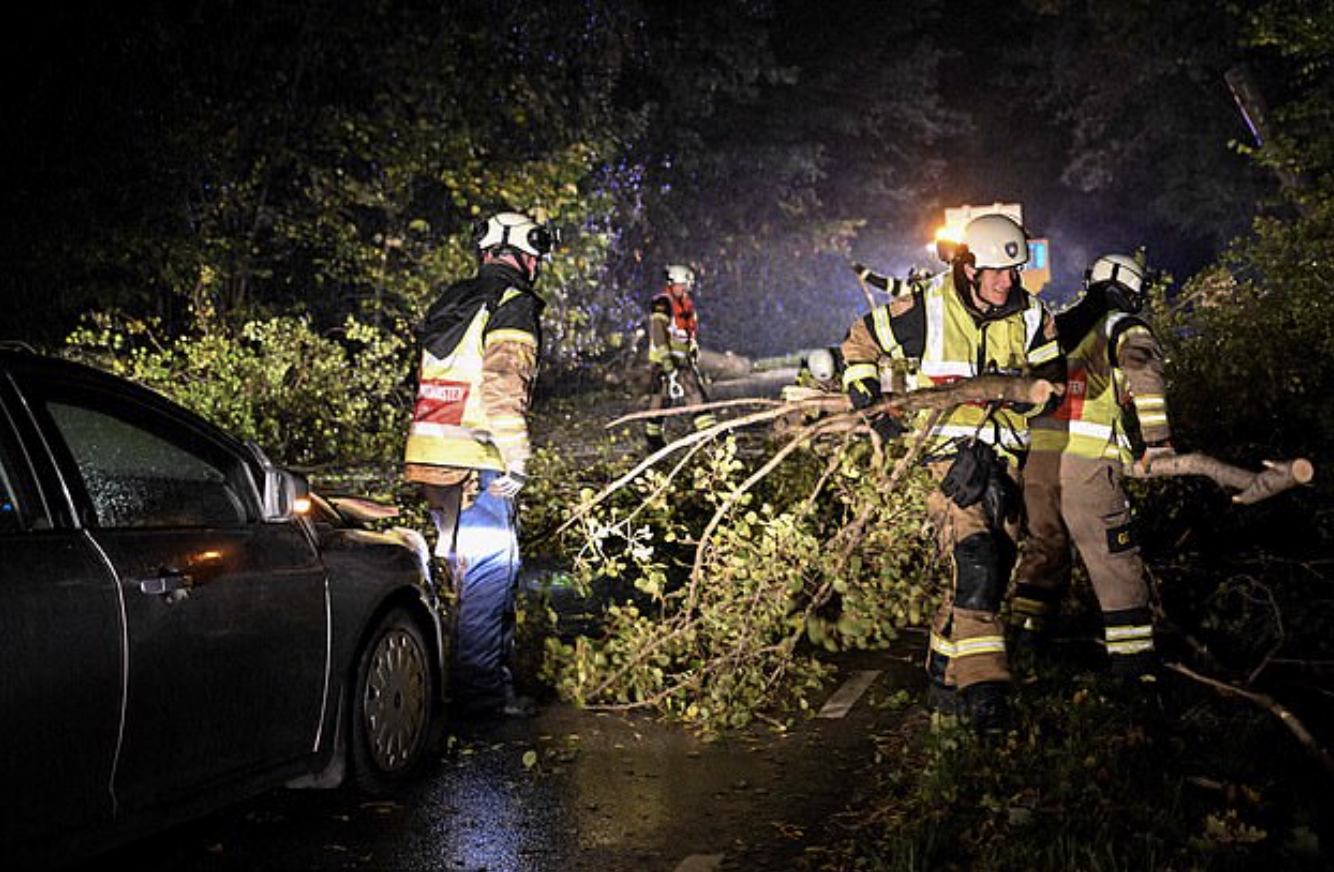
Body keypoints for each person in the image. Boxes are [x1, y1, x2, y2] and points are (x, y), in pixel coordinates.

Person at [840, 213, 1065, 733]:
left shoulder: (1033, 316)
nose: (1008, 282)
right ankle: (986, 697)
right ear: (968, 268)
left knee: (986, 576)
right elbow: (860, 342)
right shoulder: (928, 307)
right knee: (978, 565)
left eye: (1014, 272)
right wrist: (870, 400)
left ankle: (942, 678)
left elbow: (1052, 379)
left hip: (1005, 464)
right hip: (949, 464)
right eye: (996, 273)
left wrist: (1032, 397)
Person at [403, 209, 556, 719]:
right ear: (527, 256)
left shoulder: (452, 300)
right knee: (492, 571)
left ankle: (442, 687)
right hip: (479, 461)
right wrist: (516, 459)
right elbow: (502, 389)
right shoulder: (513, 304)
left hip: (432, 457)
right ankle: (482, 699)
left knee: (451, 577)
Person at [1010, 254, 1173, 683]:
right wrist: (1158, 443)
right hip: (1084, 465)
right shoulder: (1121, 326)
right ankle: (1134, 671)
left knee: (1045, 554)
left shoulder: (1054, 327)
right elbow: (1143, 371)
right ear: (1133, 291)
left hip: (1038, 465)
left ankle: (1026, 652)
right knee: (1114, 561)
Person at [644, 264, 714, 451]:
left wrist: (692, 347)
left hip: (682, 359)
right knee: (662, 398)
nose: (685, 289)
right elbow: (658, 333)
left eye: (687, 285)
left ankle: (708, 434)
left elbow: (686, 331)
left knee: (693, 390)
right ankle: (653, 437)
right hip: (663, 359)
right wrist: (666, 362)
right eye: (682, 285)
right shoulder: (662, 303)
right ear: (672, 283)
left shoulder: (686, 304)